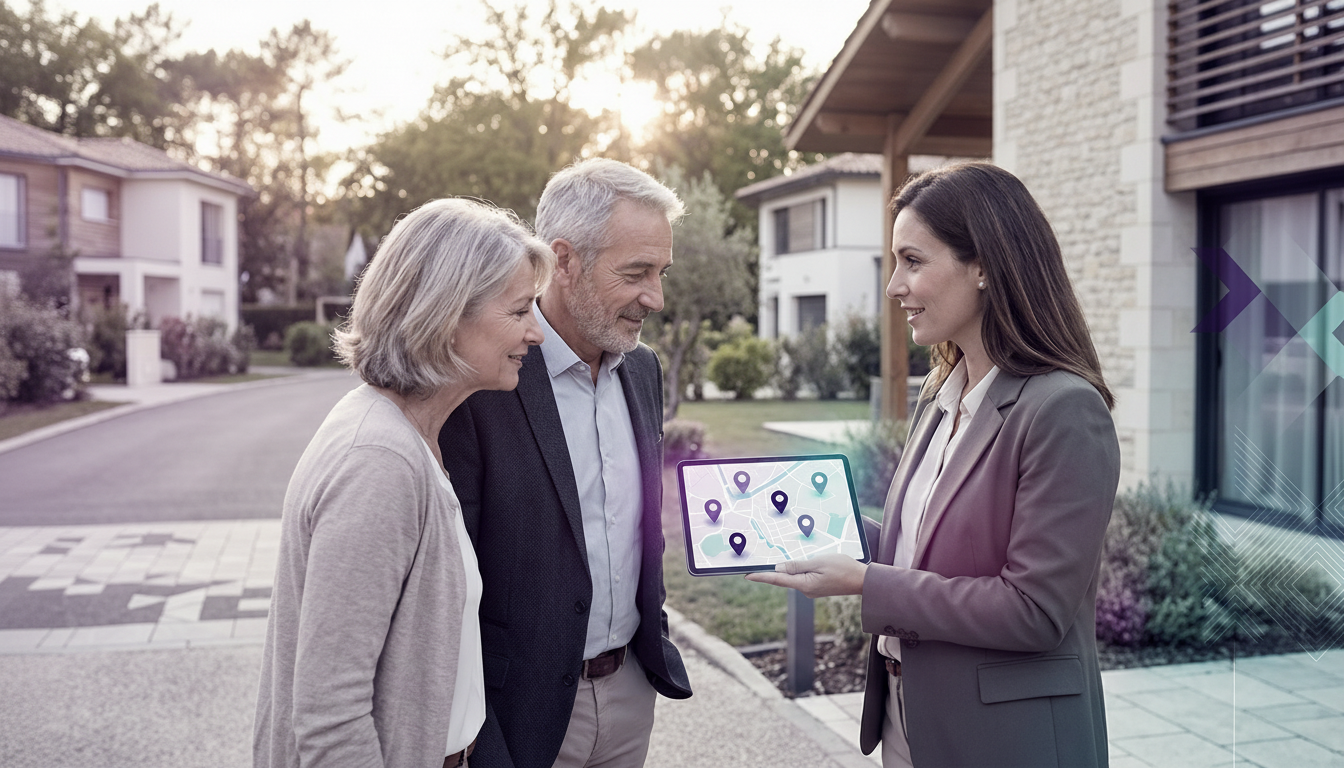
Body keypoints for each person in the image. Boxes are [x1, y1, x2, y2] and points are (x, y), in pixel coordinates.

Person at [748, 162, 1121, 768]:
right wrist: (826, 529)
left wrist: (866, 582)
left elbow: (1033, 610)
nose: (894, 285)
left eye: (913, 261)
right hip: (908, 716)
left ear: (984, 267)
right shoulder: (944, 393)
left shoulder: (1063, 411)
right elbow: (928, 547)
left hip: (1006, 739)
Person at [253, 198, 555, 768]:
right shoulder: (379, 463)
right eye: (519, 312)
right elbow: (329, 716)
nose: (536, 333)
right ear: (445, 318)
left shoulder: (414, 436)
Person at [438, 158, 693, 768]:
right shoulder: (484, 379)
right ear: (564, 260)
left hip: (631, 689)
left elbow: (639, 528)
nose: (654, 298)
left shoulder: (643, 368)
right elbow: (451, 578)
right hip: (518, 709)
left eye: (661, 273)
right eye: (636, 273)